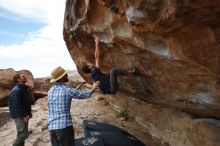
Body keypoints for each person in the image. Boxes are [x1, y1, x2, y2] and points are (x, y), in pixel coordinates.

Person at [48, 66, 99, 146]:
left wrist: (76, 89)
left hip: (52, 127)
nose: (67, 76)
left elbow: (64, 96)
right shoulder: (67, 90)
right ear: (62, 78)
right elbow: (85, 95)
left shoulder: (51, 90)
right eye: (65, 75)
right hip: (64, 127)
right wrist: (94, 88)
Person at [8, 73, 32, 146]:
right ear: (18, 79)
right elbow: (17, 105)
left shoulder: (23, 88)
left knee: (20, 134)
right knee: (24, 135)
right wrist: (24, 115)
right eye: (23, 76)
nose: (25, 77)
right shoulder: (16, 90)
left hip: (23, 115)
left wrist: (29, 113)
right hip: (19, 116)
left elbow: (25, 102)